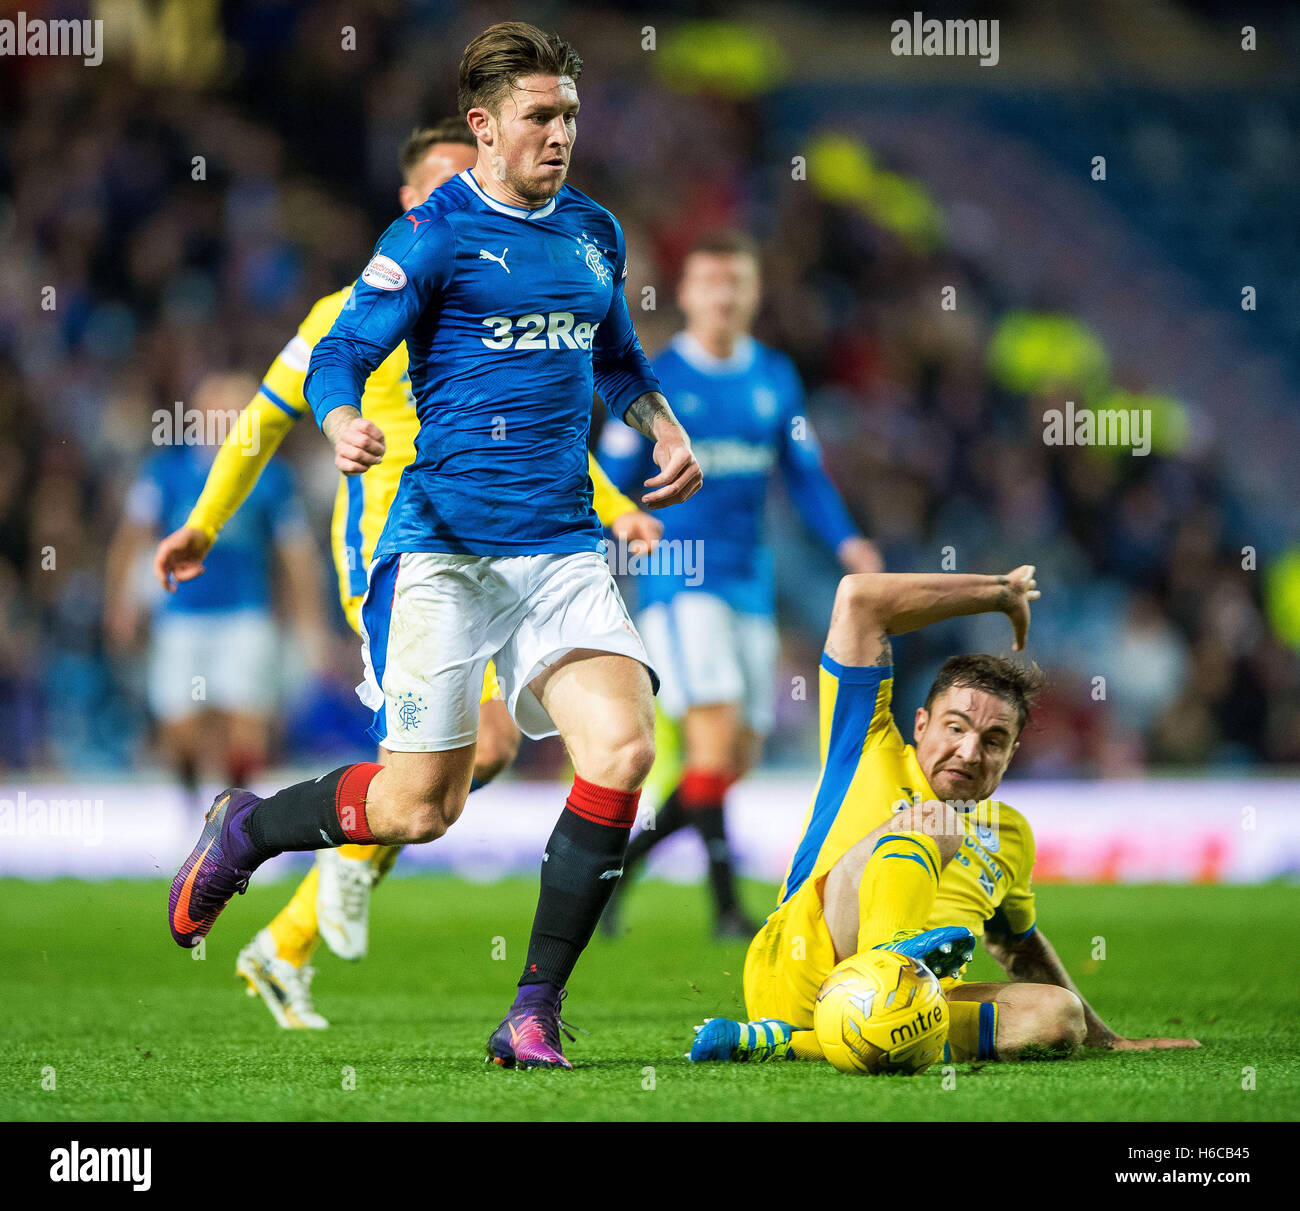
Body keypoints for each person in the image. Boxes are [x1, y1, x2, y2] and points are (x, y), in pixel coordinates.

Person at [166, 21, 703, 1072]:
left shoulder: (594, 230)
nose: (559, 134)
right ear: (485, 125)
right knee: (420, 806)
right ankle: (246, 827)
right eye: (539, 117)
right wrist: (335, 420)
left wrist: (662, 423)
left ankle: (532, 1008)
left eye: (570, 116)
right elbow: (341, 353)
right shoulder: (432, 234)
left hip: (559, 549)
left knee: (626, 750)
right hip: (444, 552)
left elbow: (617, 357)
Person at [690, 566, 1202, 1063]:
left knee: (1057, 1016)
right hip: (802, 967)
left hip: (912, 1010)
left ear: (1011, 753)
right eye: (955, 728)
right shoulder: (867, 746)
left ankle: (786, 1043)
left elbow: (1017, 945)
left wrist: (1102, 1036)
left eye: (993, 740)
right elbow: (858, 600)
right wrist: (998, 592)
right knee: (938, 821)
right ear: (920, 723)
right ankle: (888, 960)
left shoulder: (1011, 835)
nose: (969, 751)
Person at [598, 229, 881, 938]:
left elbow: (805, 474)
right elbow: (606, 476)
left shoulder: (775, 378)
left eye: (737, 283)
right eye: (710, 283)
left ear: (753, 293)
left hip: (751, 584)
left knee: (730, 759)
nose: (724, 296)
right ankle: (726, 907)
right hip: (678, 582)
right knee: (714, 743)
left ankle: (608, 874)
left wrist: (848, 539)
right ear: (687, 293)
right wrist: (624, 522)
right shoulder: (654, 384)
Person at [106, 374, 326, 808]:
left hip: (246, 614)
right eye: (215, 411)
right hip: (182, 615)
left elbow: (296, 556)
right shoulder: (165, 473)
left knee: (245, 723)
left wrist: (310, 622)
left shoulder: (272, 476)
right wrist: (122, 604)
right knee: (181, 730)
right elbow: (131, 539)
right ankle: (190, 801)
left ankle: (234, 825)